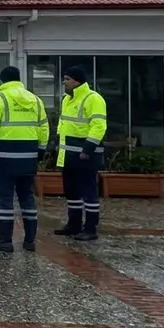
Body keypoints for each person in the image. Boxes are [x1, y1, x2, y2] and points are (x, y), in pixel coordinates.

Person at [0, 66, 49, 253]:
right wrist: (41, 149)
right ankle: (30, 241)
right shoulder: (35, 99)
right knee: (27, 198)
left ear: (2, 80)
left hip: (4, 158)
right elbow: (44, 127)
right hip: (28, 157)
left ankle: (5, 241)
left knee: (5, 200)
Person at [53, 66, 107, 241]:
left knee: (88, 191)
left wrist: (88, 149)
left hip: (86, 155)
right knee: (72, 191)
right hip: (69, 154)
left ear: (77, 81)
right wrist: (57, 142)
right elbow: (64, 124)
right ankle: (74, 224)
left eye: (67, 79)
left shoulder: (94, 99)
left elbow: (99, 126)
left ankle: (90, 228)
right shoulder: (66, 100)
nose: (64, 82)